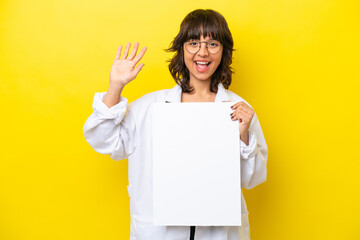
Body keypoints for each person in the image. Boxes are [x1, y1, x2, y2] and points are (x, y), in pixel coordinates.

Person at [83, 9, 267, 240]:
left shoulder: (238, 108)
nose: (203, 52)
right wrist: (115, 86)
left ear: (223, 51)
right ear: (182, 49)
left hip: (218, 233)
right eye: (193, 43)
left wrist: (243, 136)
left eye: (212, 43)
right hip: (158, 232)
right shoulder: (149, 107)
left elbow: (253, 179)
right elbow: (103, 139)